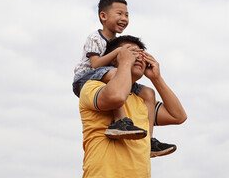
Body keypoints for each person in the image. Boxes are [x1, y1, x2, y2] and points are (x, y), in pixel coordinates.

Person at [73, 0, 175, 155]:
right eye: (119, 13)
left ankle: (148, 140)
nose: (124, 18)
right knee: (116, 73)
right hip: (86, 76)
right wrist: (120, 53)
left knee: (148, 93)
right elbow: (96, 64)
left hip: (108, 74)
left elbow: (179, 116)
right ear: (103, 16)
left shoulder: (116, 40)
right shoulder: (95, 37)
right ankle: (119, 121)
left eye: (127, 15)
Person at [79, 35, 187, 177]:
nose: (138, 57)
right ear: (114, 58)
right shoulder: (93, 86)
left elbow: (178, 116)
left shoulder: (143, 99)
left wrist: (156, 78)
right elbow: (117, 96)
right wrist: (125, 63)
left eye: (141, 54)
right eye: (131, 52)